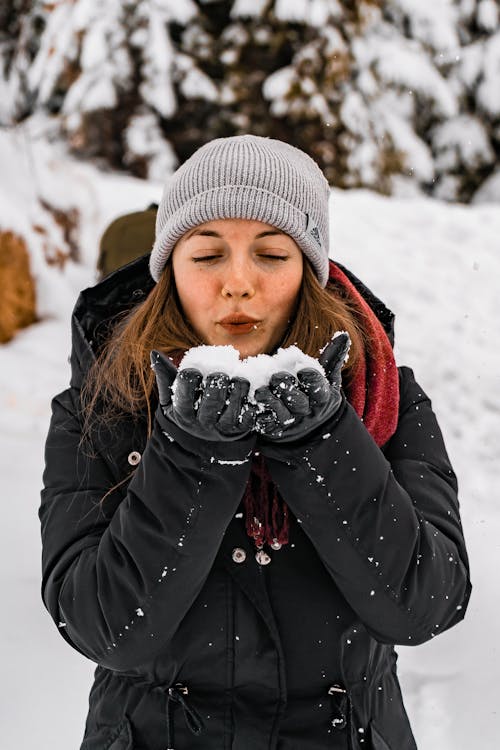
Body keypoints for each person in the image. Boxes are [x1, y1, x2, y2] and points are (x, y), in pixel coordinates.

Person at [39, 135, 471, 750]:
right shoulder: (103, 404)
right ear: (169, 271)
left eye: (270, 254)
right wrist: (191, 454)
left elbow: (422, 606)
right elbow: (104, 628)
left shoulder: (385, 398)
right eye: (207, 255)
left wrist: (323, 441)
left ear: (308, 270)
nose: (238, 283)